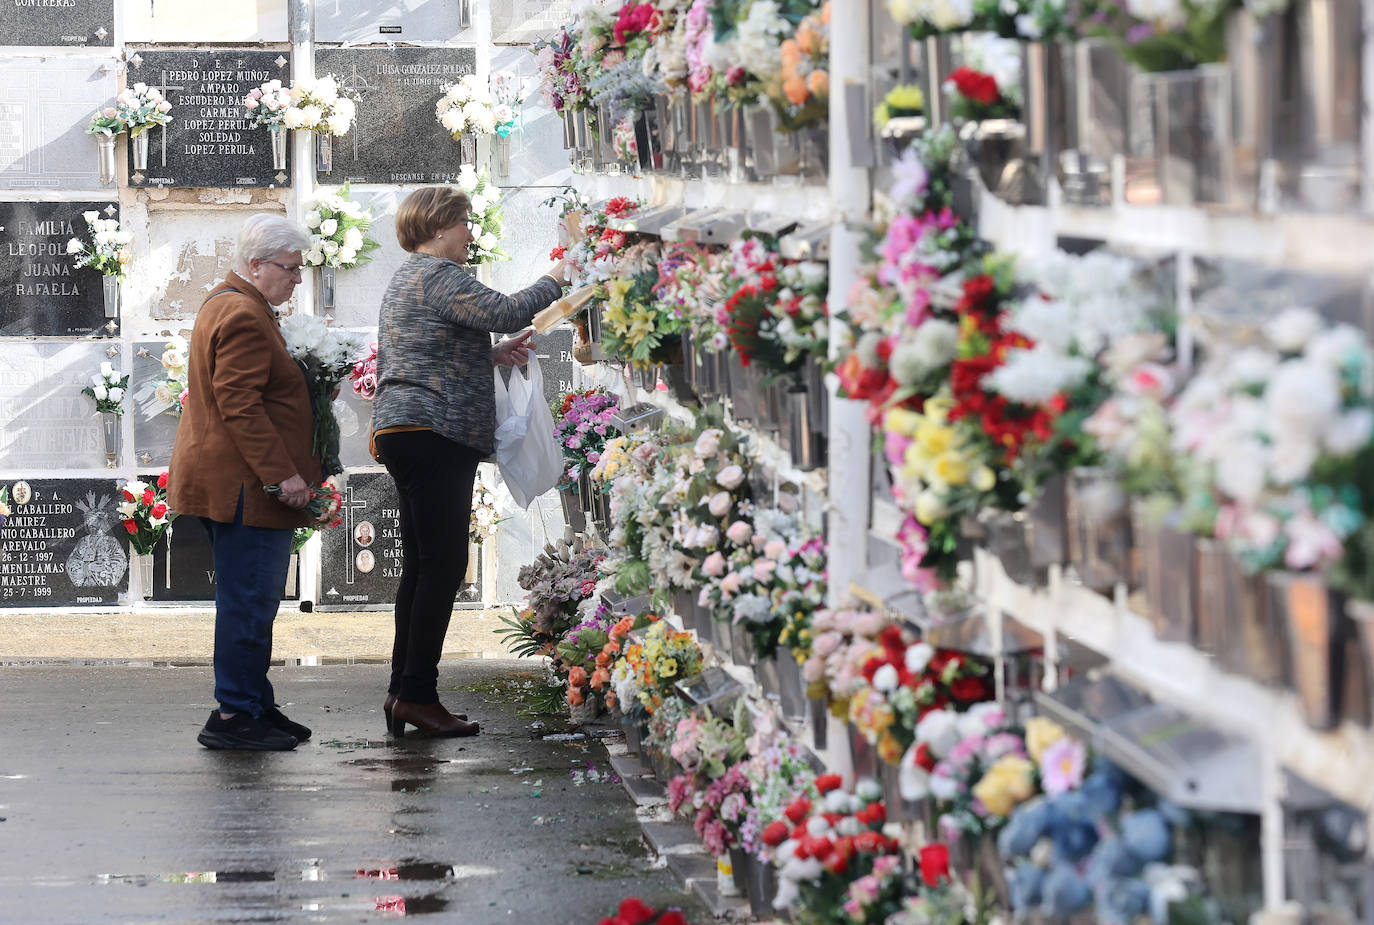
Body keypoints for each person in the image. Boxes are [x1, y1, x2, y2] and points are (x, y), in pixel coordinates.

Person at [371, 186, 569, 738]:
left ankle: (402, 690)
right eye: (463, 223)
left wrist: (489, 355)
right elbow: (506, 310)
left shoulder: (409, 276)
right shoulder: (439, 273)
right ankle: (416, 694)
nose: (469, 233)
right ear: (438, 227)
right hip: (435, 430)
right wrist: (560, 274)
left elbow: (422, 350)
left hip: (407, 429)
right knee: (443, 564)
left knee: (422, 564)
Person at [168, 214, 318, 752]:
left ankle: (255, 702)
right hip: (245, 490)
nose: (297, 279)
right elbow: (241, 405)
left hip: (232, 483)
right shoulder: (244, 314)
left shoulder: (229, 302)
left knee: (251, 601)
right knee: (247, 604)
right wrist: (286, 476)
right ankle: (233, 715)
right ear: (257, 265)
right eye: (290, 268)